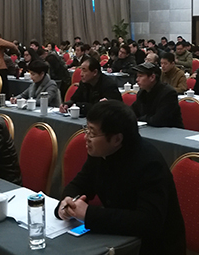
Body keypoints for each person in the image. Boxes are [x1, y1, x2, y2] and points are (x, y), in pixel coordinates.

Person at [55, 101, 186, 255]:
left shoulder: (149, 163)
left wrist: (89, 214)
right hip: (118, 238)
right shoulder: (100, 154)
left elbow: (148, 222)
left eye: (92, 133)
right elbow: (79, 184)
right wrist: (67, 202)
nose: (86, 137)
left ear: (117, 139)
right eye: (86, 130)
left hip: (153, 247)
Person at [131, 62, 183, 128]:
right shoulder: (142, 92)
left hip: (170, 131)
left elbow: (158, 120)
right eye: (137, 76)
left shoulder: (168, 93)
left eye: (140, 76)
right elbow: (132, 111)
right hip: (149, 129)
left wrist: (140, 118)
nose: (137, 80)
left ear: (152, 77)